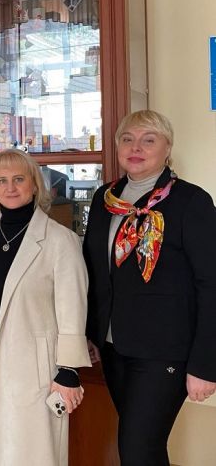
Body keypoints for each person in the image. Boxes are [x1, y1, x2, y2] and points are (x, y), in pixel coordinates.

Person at [84, 110, 216, 466]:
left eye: (149, 140)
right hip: (114, 347)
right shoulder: (105, 199)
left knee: (137, 449)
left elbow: (211, 284)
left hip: (165, 351)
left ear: (167, 148)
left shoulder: (191, 201)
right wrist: (90, 333)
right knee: (145, 449)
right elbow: (94, 271)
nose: (136, 148)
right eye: (127, 139)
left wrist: (206, 364)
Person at [0, 149, 91, 466]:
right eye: (2, 180)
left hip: (36, 367)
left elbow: (73, 308)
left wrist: (68, 371)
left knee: (29, 450)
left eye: (19, 179)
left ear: (34, 185)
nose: (10, 187)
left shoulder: (60, 240)